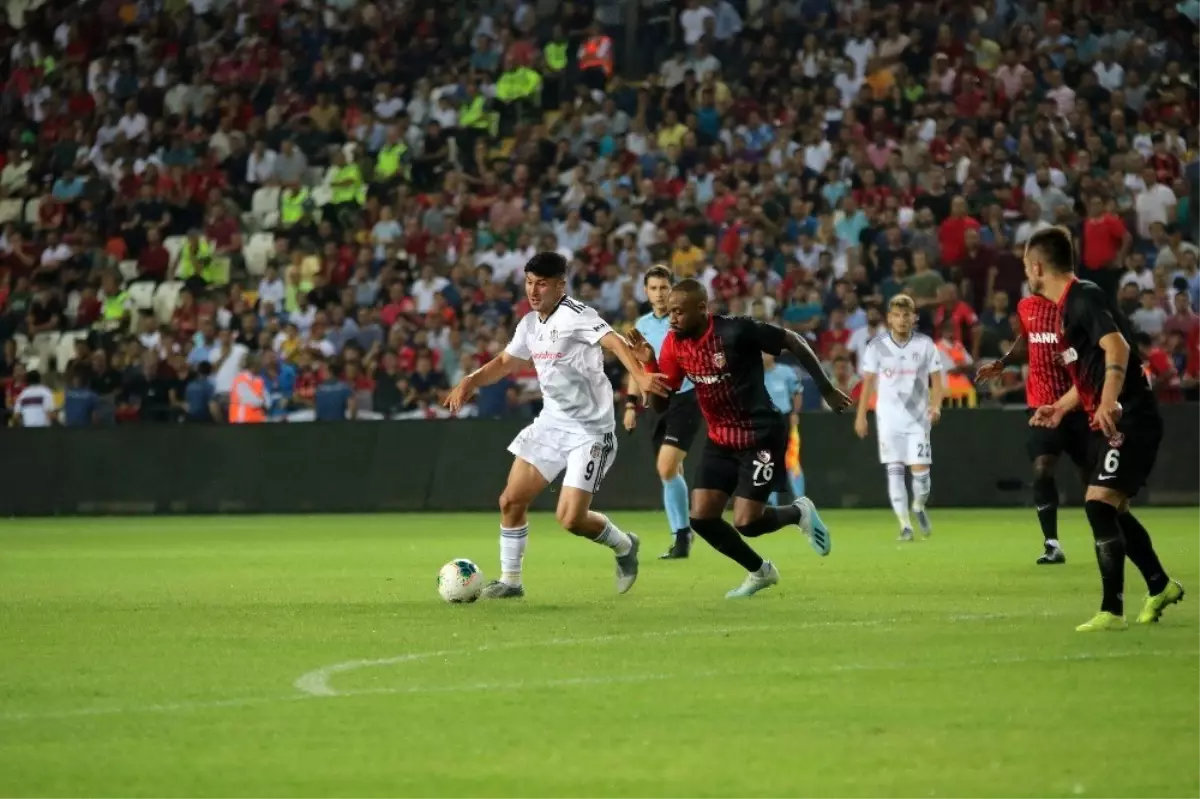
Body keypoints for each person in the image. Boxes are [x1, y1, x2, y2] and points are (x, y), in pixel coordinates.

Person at [444, 252, 668, 599]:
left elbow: (614, 341)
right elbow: (505, 361)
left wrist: (639, 373)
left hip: (590, 432)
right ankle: (512, 581)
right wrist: (470, 381)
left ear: (560, 285)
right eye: (529, 282)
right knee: (510, 501)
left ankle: (625, 546)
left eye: (542, 284)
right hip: (551, 424)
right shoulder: (530, 324)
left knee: (571, 519)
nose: (533, 291)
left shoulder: (577, 315)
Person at [630, 279, 853, 599]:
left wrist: (826, 387)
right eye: (670, 313)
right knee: (702, 518)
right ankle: (760, 571)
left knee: (747, 522)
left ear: (702, 309)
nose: (673, 318)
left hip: (760, 435)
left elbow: (792, 340)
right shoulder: (673, 344)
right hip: (720, 439)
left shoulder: (735, 331)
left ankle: (797, 512)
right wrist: (649, 365)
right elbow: (662, 404)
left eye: (679, 312)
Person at [1024, 226, 1184, 632]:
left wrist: (1111, 398)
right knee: (1115, 511)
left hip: (1130, 414)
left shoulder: (1084, 297)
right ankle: (1160, 584)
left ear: (1037, 266)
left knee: (1098, 504)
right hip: (1114, 412)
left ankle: (1112, 611)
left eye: (1027, 265)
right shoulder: (1068, 307)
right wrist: (1060, 408)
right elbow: (1090, 375)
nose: (1027, 272)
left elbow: (1118, 348)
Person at [977, 292, 1089, 565]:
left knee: (1092, 476)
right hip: (1041, 404)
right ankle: (1052, 543)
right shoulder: (1026, 305)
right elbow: (1027, 340)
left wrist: (1072, 354)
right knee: (1042, 467)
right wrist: (1003, 363)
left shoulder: (1076, 301)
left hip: (1077, 402)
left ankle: (1109, 534)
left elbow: (1096, 344)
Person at [622, 265, 702, 560]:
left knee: (666, 468)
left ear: (673, 289)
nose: (659, 293)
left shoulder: (684, 321)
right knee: (670, 472)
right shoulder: (641, 325)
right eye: (653, 288)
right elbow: (637, 369)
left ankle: (683, 533)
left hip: (685, 397)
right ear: (646, 291)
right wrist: (631, 404)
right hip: (656, 402)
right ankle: (680, 537)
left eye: (664, 288)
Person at [854, 295, 945, 541]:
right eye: (897, 315)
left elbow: (937, 381)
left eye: (907, 315)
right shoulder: (877, 346)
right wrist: (861, 416)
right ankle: (905, 525)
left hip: (918, 418)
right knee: (894, 469)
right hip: (888, 418)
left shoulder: (925, 345)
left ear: (914, 318)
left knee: (921, 473)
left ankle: (918, 506)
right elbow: (868, 383)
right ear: (889, 318)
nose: (902, 320)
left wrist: (936, 406)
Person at [762, 351, 805, 504]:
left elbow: (798, 392)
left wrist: (795, 412)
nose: (763, 355)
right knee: (767, 461)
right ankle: (770, 502)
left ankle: (800, 499)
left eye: (766, 352)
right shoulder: (754, 373)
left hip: (784, 419)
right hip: (763, 421)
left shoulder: (786, 372)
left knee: (792, 460)